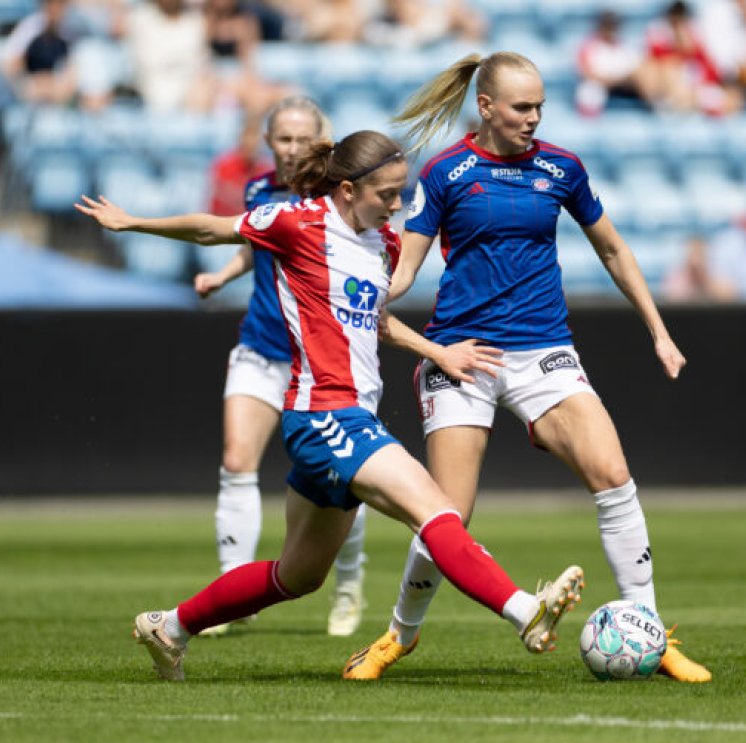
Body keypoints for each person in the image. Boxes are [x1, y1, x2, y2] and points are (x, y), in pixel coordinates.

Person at [75, 130, 587, 681]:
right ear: (347, 190)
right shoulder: (296, 223)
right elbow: (213, 228)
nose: (397, 206)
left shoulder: (382, 245)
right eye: (387, 194)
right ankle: (523, 612)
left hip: (348, 419)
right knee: (437, 512)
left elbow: (376, 321)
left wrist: (438, 350)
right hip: (323, 415)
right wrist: (134, 223)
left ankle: (169, 627)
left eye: (400, 193)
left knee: (297, 576)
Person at [344, 51, 713, 683]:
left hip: (543, 349)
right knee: (447, 516)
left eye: (540, 106)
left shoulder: (562, 168)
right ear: (486, 107)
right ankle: (397, 637)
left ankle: (650, 635)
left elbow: (613, 248)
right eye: (522, 107)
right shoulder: (445, 173)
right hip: (464, 352)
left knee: (613, 472)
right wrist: (371, 291)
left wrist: (659, 330)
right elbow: (404, 269)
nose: (534, 118)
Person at [191, 96, 375, 637]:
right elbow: (253, 241)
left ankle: (347, 584)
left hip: (324, 360)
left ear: (323, 138)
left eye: (302, 137)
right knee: (236, 459)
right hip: (262, 346)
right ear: (268, 142)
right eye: (283, 138)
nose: (293, 148)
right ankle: (231, 595)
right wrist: (223, 276)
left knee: (347, 479)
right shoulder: (260, 190)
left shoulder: (339, 194)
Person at [0, 0, 111, 111]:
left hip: (63, 90)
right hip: (33, 89)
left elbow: (75, 67)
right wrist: (26, 84)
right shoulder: (31, 26)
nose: (55, 8)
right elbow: (10, 63)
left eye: (60, 4)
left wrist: (58, 86)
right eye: (51, 4)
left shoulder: (73, 30)